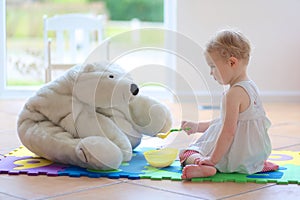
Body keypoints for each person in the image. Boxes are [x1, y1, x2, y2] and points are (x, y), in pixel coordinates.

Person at [180, 29, 279, 179]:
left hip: (234, 156)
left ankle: (205, 167)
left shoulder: (232, 95)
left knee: (186, 153)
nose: (211, 72)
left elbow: (228, 131)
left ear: (232, 62)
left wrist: (212, 160)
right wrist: (197, 127)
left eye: (213, 66)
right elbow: (224, 122)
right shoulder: (251, 86)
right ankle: (253, 164)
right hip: (254, 156)